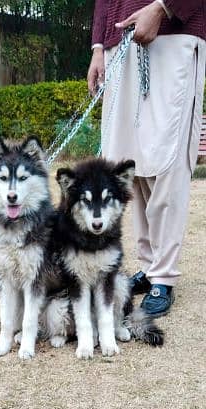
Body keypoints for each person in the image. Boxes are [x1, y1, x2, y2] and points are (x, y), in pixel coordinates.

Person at [88, 1, 206, 316]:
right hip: (120, 43)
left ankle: (163, 275)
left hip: (173, 33)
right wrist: (98, 46)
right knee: (129, 162)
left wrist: (164, 8)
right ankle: (149, 264)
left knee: (166, 160)